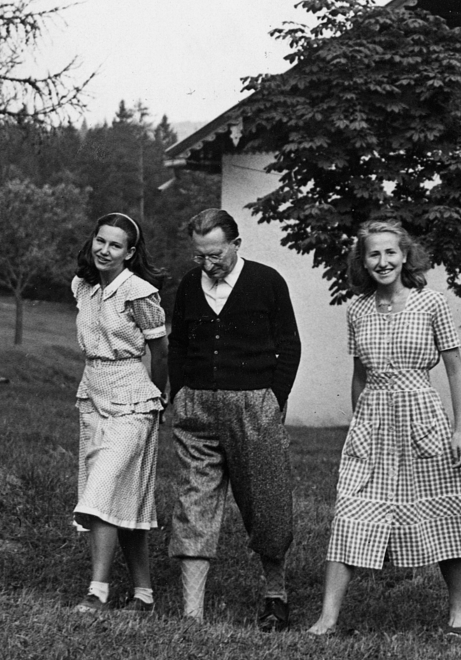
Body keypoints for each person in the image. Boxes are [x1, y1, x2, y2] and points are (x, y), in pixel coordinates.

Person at [306, 219, 461, 637]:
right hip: (372, 422)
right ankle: (328, 618)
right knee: (349, 510)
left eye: (391, 252)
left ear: (405, 256)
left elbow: (456, 370)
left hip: (423, 417)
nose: (383, 261)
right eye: (374, 254)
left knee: (443, 510)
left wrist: (459, 431)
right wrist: (358, 427)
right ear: (363, 261)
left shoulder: (431, 303)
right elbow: (359, 376)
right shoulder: (357, 310)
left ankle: (460, 607)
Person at [166, 209, 302, 629]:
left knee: (267, 503)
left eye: (216, 255)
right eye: (200, 256)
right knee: (194, 502)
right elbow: (178, 345)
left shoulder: (267, 282)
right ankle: (192, 615)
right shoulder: (189, 285)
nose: (208, 264)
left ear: (236, 245)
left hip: (255, 407)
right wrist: (181, 393)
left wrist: (272, 401)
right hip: (197, 408)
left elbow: (289, 345)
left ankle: (275, 595)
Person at [67, 212, 169, 617]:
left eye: (115, 245)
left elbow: (159, 352)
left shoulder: (139, 292)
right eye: (100, 241)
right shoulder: (83, 286)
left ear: (129, 253)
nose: (104, 250)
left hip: (134, 401)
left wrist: (158, 395)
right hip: (93, 395)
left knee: (101, 491)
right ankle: (143, 595)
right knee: (123, 499)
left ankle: (98, 591)